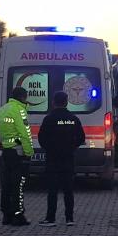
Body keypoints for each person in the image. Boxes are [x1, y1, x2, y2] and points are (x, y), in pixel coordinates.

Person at [38, 91, 85, 227]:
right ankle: (69, 218)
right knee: (68, 190)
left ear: (53, 102)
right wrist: (71, 147)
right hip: (68, 158)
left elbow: (42, 138)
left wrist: (50, 148)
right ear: (66, 102)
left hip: (53, 159)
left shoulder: (49, 119)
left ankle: (50, 218)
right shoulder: (73, 118)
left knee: (52, 189)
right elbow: (81, 138)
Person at [0, 86, 34, 226]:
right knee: (18, 184)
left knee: (6, 184)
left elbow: (0, 133)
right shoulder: (19, 110)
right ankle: (18, 215)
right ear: (24, 97)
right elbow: (24, 134)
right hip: (18, 152)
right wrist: (29, 152)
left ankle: (6, 215)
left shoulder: (2, 109)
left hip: (6, 151)